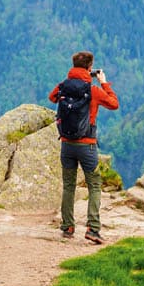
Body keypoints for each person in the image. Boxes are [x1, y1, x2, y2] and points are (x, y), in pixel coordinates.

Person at [48, 51, 119, 244]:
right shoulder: (93, 90)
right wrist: (104, 83)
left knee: (68, 186)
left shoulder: (63, 86)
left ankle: (67, 227)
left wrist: (68, 86)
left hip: (66, 144)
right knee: (94, 185)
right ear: (90, 67)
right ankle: (93, 229)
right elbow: (114, 104)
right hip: (87, 145)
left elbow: (52, 97)